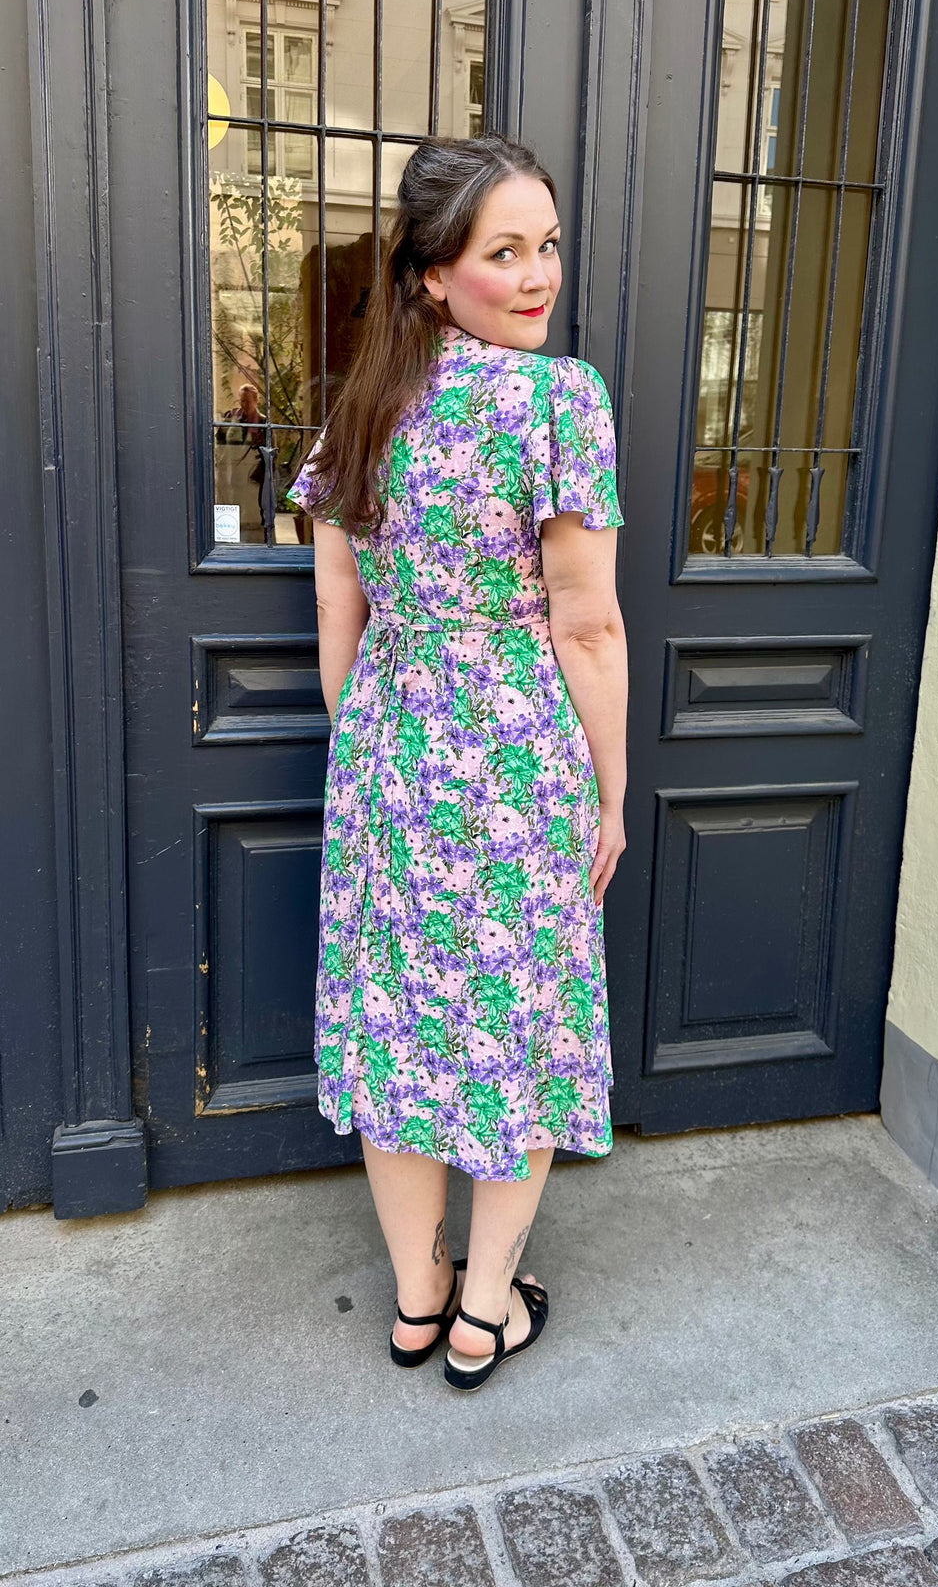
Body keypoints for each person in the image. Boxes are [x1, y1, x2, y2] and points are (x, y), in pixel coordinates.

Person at [286, 133, 628, 1391]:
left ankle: (417, 1300)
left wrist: (369, 735)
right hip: (518, 754)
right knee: (516, 1025)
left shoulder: (362, 406)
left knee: (397, 1027)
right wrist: (611, 789)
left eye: (547, 246)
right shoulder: (557, 400)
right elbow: (586, 625)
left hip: (391, 746)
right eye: (504, 252)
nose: (537, 276)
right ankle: (485, 1310)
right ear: (433, 273)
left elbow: (338, 602)